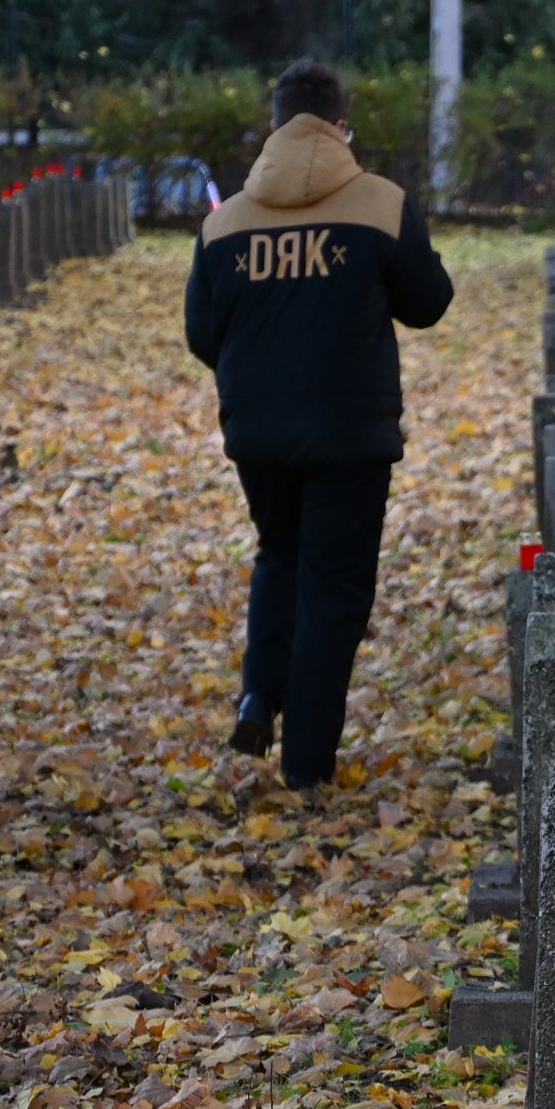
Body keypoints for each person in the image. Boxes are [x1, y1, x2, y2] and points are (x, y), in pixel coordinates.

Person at [185, 60, 453, 789]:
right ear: (341, 126)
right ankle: (307, 764)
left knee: (280, 555)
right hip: (349, 434)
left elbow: (202, 333)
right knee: (333, 589)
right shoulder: (381, 203)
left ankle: (257, 694)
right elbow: (427, 302)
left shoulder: (226, 221)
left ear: (274, 127)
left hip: (259, 433)